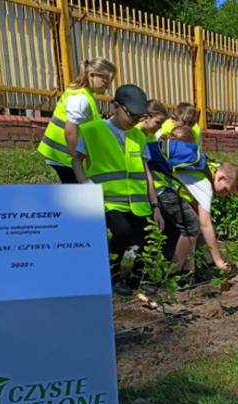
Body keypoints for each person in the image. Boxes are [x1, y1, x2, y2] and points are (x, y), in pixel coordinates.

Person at [71, 84, 164, 296]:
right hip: (108, 200)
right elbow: (76, 160)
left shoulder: (139, 136)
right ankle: (112, 277)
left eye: (139, 116)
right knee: (122, 232)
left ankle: (137, 278)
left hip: (138, 202)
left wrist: (155, 205)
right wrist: (85, 185)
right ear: (116, 107)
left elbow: (146, 171)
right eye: (132, 115)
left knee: (148, 236)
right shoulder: (93, 130)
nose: (135, 120)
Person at [153, 161, 238, 284]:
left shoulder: (211, 168)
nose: (224, 194)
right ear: (222, 178)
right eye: (226, 190)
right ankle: (172, 275)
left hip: (166, 184)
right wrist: (218, 260)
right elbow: (205, 225)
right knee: (192, 226)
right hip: (161, 186)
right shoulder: (204, 185)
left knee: (193, 225)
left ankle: (188, 273)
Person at [38, 57, 117, 183]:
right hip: (65, 159)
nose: (107, 88)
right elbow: (70, 130)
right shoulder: (81, 98)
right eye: (105, 82)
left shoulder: (78, 90)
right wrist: (77, 161)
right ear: (92, 75)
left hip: (63, 157)